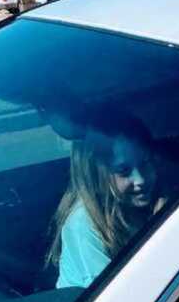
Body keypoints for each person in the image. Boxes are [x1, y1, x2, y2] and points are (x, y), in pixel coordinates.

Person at [51, 115, 167, 289]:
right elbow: (115, 299)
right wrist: (161, 233)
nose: (140, 179)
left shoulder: (159, 200)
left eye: (145, 163)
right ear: (95, 175)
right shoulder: (84, 225)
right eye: (123, 171)